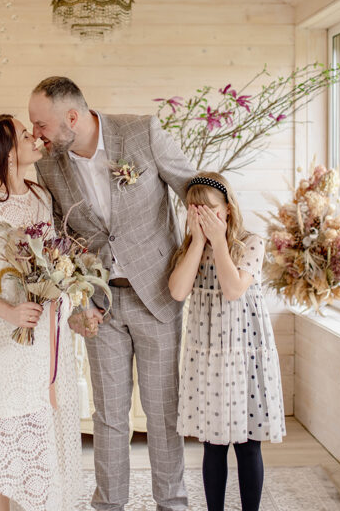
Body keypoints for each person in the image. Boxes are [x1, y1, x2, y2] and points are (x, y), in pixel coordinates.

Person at [30, 76, 195, 511]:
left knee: (162, 413)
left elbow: (193, 189)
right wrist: (79, 302)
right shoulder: (49, 166)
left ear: (72, 117)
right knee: (108, 416)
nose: (36, 135)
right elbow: (62, 240)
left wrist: (215, 243)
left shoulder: (142, 133)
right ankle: (108, 505)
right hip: (99, 305)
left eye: (41, 125)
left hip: (157, 297)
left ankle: (172, 504)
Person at [0, 114, 82, 511]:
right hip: (2, 341)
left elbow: (52, 260)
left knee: (40, 435)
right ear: (7, 153)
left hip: (43, 338)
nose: (34, 138)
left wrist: (63, 289)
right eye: (25, 135)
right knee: (3, 437)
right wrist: (8, 313)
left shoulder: (41, 197)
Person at [169, 171, 286, 511]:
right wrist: (198, 242)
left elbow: (234, 289)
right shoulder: (190, 248)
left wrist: (219, 242)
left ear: (228, 209)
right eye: (195, 210)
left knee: (248, 445)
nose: (202, 217)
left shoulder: (251, 243)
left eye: (210, 210)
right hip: (209, 358)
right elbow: (177, 291)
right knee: (213, 445)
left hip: (245, 354)